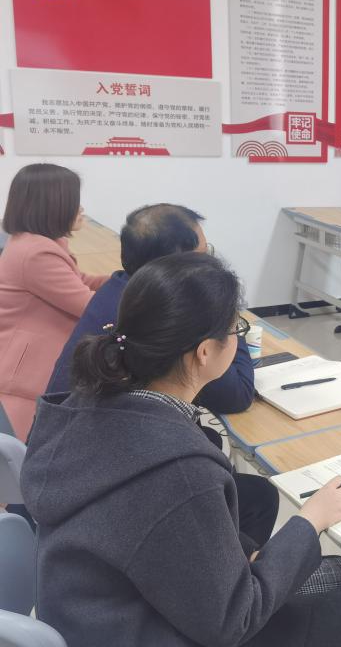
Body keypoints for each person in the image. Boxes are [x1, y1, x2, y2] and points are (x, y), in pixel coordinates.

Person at [21, 253, 341, 647]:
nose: (238, 339)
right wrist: (310, 521)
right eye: (236, 330)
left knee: (310, 557)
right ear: (205, 352)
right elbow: (233, 621)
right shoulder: (179, 471)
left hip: (90, 626)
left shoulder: (86, 403)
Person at [46, 203, 275, 545]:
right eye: (204, 255)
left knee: (217, 451)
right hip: (104, 495)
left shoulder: (121, 292)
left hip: (74, 471)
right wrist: (224, 313)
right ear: (179, 263)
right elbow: (238, 394)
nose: (209, 263)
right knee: (254, 493)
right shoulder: (172, 327)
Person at [0, 164, 108, 441]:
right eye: (73, 201)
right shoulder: (37, 255)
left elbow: (79, 280)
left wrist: (124, 278)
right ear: (52, 206)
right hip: (22, 381)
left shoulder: (35, 243)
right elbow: (89, 306)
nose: (80, 209)